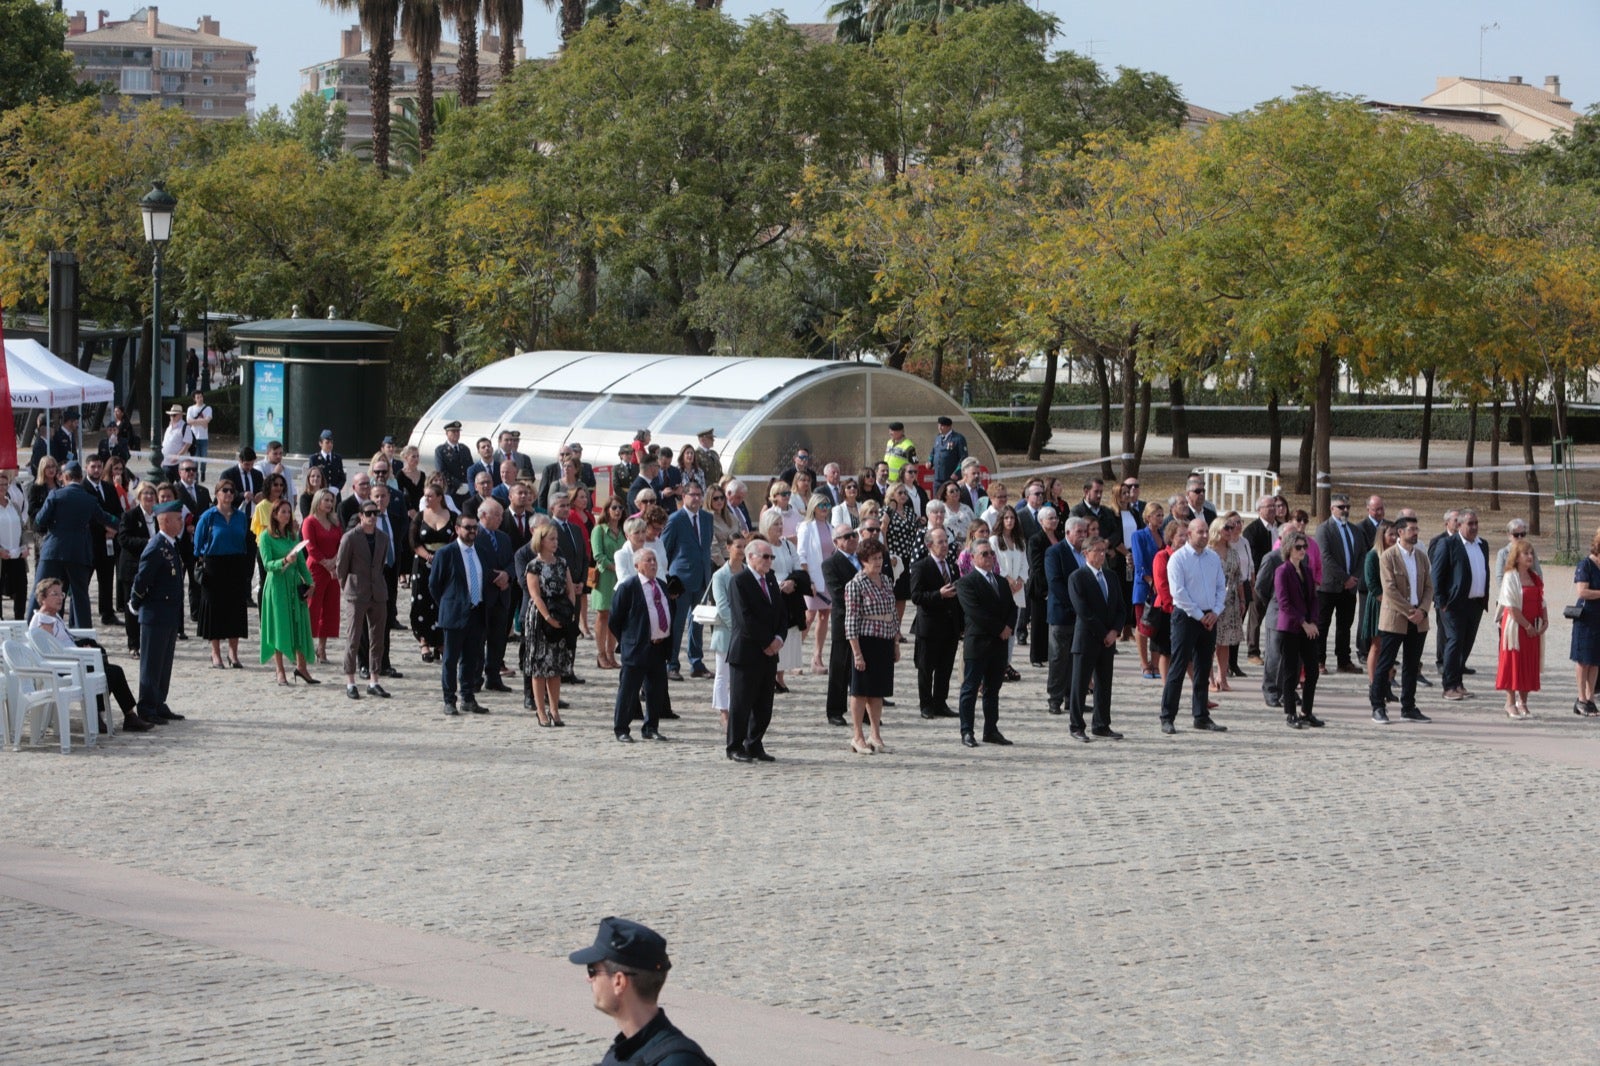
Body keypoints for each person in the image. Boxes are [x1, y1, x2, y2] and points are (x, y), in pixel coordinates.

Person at [568, 916, 714, 1066]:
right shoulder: (620, 1054)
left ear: (619, 982)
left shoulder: (678, 1062)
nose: (588, 978)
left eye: (593, 970)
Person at [1162, 517, 1229, 734]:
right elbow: (1178, 594)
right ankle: (1167, 716)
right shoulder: (1178, 559)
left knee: (1203, 668)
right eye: (1199, 532)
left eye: (1206, 531)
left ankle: (1201, 715)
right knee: (1179, 667)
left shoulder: (1213, 558)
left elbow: (1221, 587)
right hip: (1187, 617)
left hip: (1209, 617)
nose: (1204, 535)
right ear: (1189, 534)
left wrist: (1215, 612)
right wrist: (1200, 616)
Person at [726, 535, 786, 763]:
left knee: (764, 704)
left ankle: (754, 743)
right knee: (742, 703)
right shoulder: (739, 581)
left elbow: (781, 612)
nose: (769, 561)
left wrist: (779, 637)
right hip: (747, 652)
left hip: (770, 652)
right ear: (750, 557)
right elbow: (744, 619)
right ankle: (734, 746)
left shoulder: (770, 579)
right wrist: (766, 642)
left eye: (771, 556)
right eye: (765, 556)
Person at [128, 501, 188, 725]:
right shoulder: (156, 546)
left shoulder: (170, 545)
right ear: (166, 521)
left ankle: (159, 702)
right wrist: (135, 602)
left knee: (164, 663)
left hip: (168, 613)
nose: (182, 523)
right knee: (151, 663)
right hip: (155, 613)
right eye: (178, 519)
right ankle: (147, 706)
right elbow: (142, 579)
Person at [1370, 515, 1433, 725]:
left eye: (1417, 529)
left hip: (1418, 620)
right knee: (1386, 662)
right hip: (1396, 618)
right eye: (1412, 529)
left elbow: (1428, 587)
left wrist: (1422, 611)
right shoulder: (1388, 557)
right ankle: (1378, 705)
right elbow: (1389, 589)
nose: (1415, 532)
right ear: (1400, 532)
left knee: (1412, 665)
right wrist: (1409, 611)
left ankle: (1409, 706)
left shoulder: (1422, 557)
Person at [430, 511, 494, 716]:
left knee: (471, 658)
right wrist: (449, 604)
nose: (472, 531)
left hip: (477, 612)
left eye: (475, 527)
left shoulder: (482, 551)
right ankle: (449, 699)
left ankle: (468, 697)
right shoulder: (446, 553)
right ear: (457, 529)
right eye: (468, 527)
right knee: (450, 659)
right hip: (455, 614)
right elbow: (434, 585)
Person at [34, 461, 111, 629]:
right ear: (81, 478)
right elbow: (105, 518)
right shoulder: (90, 499)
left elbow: (40, 520)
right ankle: (83, 637)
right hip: (79, 552)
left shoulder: (55, 495)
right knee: (80, 597)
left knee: (42, 591)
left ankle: (35, 629)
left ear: (66, 477)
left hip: (53, 550)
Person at [607, 545, 669, 742]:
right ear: (636, 565)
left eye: (654, 560)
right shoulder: (628, 587)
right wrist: (628, 640)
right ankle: (621, 728)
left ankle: (651, 727)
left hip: (658, 647)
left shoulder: (661, 584)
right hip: (636, 647)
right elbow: (615, 619)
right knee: (629, 690)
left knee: (655, 690)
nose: (653, 563)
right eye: (648, 560)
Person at [1066, 536, 1126, 741]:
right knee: (1080, 684)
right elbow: (1083, 611)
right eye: (1097, 551)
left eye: (1104, 550)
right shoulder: (1078, 577)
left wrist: (1114, 631)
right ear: (1085, 554)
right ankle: (1076, 725)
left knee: (1104, 683)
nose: (1102, 554)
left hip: (1108, 639)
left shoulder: (1110, 577)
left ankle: (1101, 723)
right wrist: (1103, 633)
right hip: (1087, 638)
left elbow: (1120, 608)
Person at [955, 537, 1013, 748]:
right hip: (978, 644)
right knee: (970, 689)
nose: (989, 557)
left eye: (991, 553)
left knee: (992, 690)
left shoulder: (1001, 581)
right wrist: (1000, 628)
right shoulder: (966, 583)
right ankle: (967, 731)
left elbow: (1011, 608)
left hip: (999, 645)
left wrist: (1008, 627)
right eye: (984, 554)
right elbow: (975, 612)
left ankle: (991, 729)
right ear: (972, 558)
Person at [844, 537, 898, 755]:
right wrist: (857, 653)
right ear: (863, 561)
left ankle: (875, 733)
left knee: (878, 691)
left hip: (884, 639)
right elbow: (851, 620)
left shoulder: (885, 581)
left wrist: (895, 641)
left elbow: (893, 613)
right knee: (860, 691)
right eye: (874, 559)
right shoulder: (855, 584)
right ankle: (857, 735)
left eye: (880, 558)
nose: (878, 562)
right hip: (865, 640)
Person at [334, 500, 392, 700]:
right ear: (360, 515)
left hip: (378, 592)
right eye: (368, 513)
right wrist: (347, 588)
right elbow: (341, 567)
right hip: (356, 592)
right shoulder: (350, 538)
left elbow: (381, 564)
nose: (372, 517)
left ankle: (374, 680)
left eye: (375, 513)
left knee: (378, 638)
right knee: (354, 637)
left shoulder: (383, 538)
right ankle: (350, 681)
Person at [258, 498, 318, 687]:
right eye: (283, 511)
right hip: (277, 586)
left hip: (293, 585)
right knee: (280, 626)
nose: (286, 515)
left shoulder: (293, 535)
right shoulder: (266, 537)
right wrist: (283, 561)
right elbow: (267, 564)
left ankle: (302, 667)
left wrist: (310, 582)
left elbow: (301, 562)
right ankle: (280, 669)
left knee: (299, 624)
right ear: (275, 514)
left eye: (288, 511)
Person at [1433, 508, 1491, 701]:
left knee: (1465, 644)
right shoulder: (1448, 544)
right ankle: (1449, 686)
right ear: (1459, 525)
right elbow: (1437, 575)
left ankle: (1458, 683)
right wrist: (1441, 602)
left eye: (1476, 523)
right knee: (1454, 643)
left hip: (1475, 604)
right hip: (1453, 605)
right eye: (1470, 524)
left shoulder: (1482, 545)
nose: (1474, 527)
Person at [193, 478, 250, 670]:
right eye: (224, 490)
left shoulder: (240, 517)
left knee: (235, 608)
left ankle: (233, 652)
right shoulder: (208, 516)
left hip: (235, 563)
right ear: (217, 493)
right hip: (214, 564)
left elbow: (245, 540)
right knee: (214, 609)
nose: (228, 494)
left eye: (232, 491)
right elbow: (198, 544)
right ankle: (215, 653)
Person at [522, 522, 574, 726]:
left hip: (561, 614)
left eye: (556, 539)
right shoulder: (534, 566)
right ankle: (541, 711)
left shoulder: (561, 562)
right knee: (540, 666)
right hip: (540, 619)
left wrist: (568, 613)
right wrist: (548, 618)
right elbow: (535, 595)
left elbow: (570, 589)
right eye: (551, 539)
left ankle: (554, 709)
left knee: (556, 666)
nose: (555, 542)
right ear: (541, 540)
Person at [662, 482, 714, 681]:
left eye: (700, 495)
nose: (697, 499)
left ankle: (696, 662)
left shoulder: (707, 518)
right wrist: (669, 578)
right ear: (683, 496)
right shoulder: (675, 520)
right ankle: (672, 663)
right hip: (681, 579)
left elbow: (706, 546)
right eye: (693, 495)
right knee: (677, 623)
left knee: (698, 622)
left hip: (701, 577)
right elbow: (666, 550)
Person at [909, 527, 961, 720]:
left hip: (950, 625)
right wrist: (938, 594)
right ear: (929, 545)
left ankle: (941, 703)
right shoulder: (921, 566)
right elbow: (916, 596)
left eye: (946, 541)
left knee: (945, 668)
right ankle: (926, 704)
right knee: (926, 668)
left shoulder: (952, 565)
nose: (945, 545)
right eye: (941, 542)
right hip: (929, 627)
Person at [1272, 531, 1323, 729]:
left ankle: (1307, 711)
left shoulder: (1307, 570)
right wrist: (1303, 622)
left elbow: (1313, 598)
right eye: (1298, 547)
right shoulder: (1282, 571)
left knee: (1312, 670)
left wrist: (1313, 622)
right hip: (1291, 627)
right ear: (1289, 549)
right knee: (1290, 671)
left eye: (1304, 547)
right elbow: (1284, 603)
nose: (1303, 550)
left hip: (1308, 627)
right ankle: (1291, 713)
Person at [1496, 537, 1545, 719]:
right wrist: (1526, 625)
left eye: (1531, 553)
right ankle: (1509, 702)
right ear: (1516, 557)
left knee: (1529, 663)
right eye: (1526, 553)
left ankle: (1523, 701)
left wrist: (1544, 621)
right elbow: (1511, 606)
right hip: (1516, 627)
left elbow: (1542, 599)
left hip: (1534, 625)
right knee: (1513, 662)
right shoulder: (1510, 576)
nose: (1530, 556)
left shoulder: (1535, 577)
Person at [1314, 494, 1363, 674]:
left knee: (1345, 626)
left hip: (1349, 588)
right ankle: (1319, 661)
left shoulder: (1355, 530)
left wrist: (1354, 578)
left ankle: (1344, 661)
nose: (1345, 510)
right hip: (1328, 587)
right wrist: (1344, 578)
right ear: (1332, 508)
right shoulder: (1324, 529)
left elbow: (1362, 555)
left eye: (1347, 507)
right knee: (1322, 625)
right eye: (1341, 507)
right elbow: (1325, 557)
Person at [756, 509, 803, 691]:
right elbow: (760, 569)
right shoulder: (762, 546)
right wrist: (778, 584)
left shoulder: (787, 545)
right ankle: (770, 675)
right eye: (776, 524)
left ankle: (780, 676)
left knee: (788, 635)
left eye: (781, 523)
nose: (780, 527)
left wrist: (793, 581)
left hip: (789, 595)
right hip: (770, 593)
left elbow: (798, 565)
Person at [410, 485, 455, 664]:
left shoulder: (451, 516)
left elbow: (456, 539)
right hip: (423, 563)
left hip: (445, 563)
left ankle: (440, 642)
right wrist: (428, 556)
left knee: (441, 602)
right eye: (425, 496)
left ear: (439, 497)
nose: (426, 499)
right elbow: (413, 541)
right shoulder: (420, 517)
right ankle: (424, 641)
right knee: (421, 602)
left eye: (430, 496)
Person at [301, 488, 343, 666]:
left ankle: (322, 648)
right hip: (316, 570)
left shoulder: (334, 522)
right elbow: (310, 547)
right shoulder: (309, 521)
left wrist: (334, 563)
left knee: (330, 609)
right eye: (326, 500)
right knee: (313, 607)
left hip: (333, 571)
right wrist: (327, 564)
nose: (330, 504)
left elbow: (341, 542)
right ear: (318, 502)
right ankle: (307, 646)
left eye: (331, 500)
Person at [795, 492, 835, 676]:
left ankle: (817, 657)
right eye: (821, 506)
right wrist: (807, 580)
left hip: (828, 578)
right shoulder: (806, 526)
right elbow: (801, 554)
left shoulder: (830, 526)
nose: (825, 509)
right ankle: (794, 657)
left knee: (824, 615)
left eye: (827, 506)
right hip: (812, 577)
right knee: (808, 617)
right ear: (813, 507)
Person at [1357, 520, 1398, 691]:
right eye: (1391, 534)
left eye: (1396, 534)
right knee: (1377, 645)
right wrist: (1387, 600)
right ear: (1382, 536)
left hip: (1394, 605)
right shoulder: (1373, 555)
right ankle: (1374, 682)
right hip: (1379, 605)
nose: (1395, 538)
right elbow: (1371, 584)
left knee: (1389, 647)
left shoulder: (1396, 554)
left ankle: (1386, 681)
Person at [81, 455, 121, 625]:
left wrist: (114, 529)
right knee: (84, 580)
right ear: (86, 468)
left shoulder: (109, 488)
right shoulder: (82, 489)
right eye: (93, 467)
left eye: (99, 466)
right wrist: (105, 527)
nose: (96, 470)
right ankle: (80, 614)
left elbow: (118, 511)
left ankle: (107, 612)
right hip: (89, 541)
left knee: (106, 578)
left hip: (108, 542)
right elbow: (86, 516)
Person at [1208, 514, 1245, 692]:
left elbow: (1238, 578)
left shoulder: (1233, 552)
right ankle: (1209, 680)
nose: (1231, 531)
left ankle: (1222, 677)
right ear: (1217, 530)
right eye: (1227, 528)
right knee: (1210, 643)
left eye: (1232, 528)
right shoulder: (1208, 552)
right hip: (1212, 601)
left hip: (1230, 601)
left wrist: (1242, 599)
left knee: (1225, 642)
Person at [591, 497, 628, 671]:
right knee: (603, 615)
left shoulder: (623, 530)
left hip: (620, 579)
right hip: (606, 577)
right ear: (606, 510)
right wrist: (616, 567)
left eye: (620, 507)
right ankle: (601, 654)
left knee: (616, 616)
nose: (618, 510)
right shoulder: (599, 530)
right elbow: (598, 556)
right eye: (614, 507)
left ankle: (611, 653)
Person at [1130, 503, 1165, 679]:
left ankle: (1156, 663)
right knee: (1143, 625)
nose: (1160, 518)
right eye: (1157, 515)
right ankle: (1144, 664)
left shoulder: (1163, 535)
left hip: (1161, 588)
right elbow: (1139, 563)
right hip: (1145, 587)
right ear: (1148, 516)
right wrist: (1152, 582)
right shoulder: (1139, 535)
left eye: (1161, 515)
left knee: (1158, 626)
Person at [1570, 526, 1600, 717]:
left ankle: (1590, 698)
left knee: (1596, 660)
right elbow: (1582, 591)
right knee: (1584, 660)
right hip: (1586, 618)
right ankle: (1580, 699)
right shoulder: (1586, 565)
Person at [0, 470, 27, 622]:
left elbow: (22, 529)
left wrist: (24, 546)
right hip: (1, 557)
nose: (2, 488)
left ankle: (19, 622)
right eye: (0, 485)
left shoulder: (14, 506)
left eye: (5, 484)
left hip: (16, 555)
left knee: (21, 590)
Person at [931, 415, 968, 486]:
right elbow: (933, 452)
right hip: (938, 478)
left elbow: (963, 458)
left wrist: (957, 472)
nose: (939, 428)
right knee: (937, 496)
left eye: (942, 426)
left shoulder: (958, 438)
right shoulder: (938, 438)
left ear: (949, 427)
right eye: (938, 425)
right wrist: (930, 461)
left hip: (951, 477)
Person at [307, 429, 346, 494]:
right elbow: (311, 478)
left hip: (335, 495)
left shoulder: (337, 458)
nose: (330, 445)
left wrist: (337, 488)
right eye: (327, 442)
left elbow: (342, 478)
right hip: (320, 494)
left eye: (331, 442)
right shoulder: (314, 459)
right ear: (320, 443)